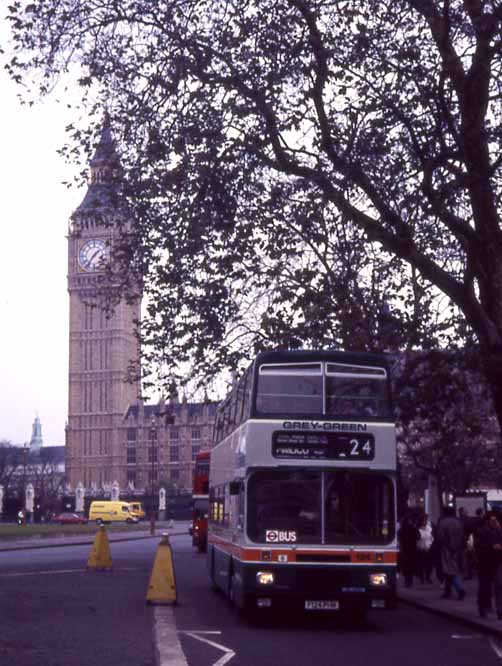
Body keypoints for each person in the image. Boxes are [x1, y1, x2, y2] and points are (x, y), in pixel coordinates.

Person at [435, 505, 466, 600]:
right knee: (450, 570)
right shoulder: (458, 522)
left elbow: (439, 537)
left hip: (446, 549)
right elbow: (462, 535)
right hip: (457, 549)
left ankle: (460, 588)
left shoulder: (442, 523)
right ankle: (447, 591)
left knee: (450, 570)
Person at [474, 512, 499, 617]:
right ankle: (483, 606)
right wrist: (492, 547)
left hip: (494, 561)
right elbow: (479, 546)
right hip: (485, 562)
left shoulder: (496, 530)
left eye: (495, 520)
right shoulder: (482, 531)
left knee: (490, 585)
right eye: (493, 520)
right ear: (488, 521)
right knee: (485, 585)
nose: (495, 522)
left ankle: (486, 605)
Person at [398, 512, 420, 587]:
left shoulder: (402, 529)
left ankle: (407, 581)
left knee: (406, 566)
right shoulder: (413, 528)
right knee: (410, 566)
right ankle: (409, 581)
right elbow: (418, 537)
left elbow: (400, 539)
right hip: (412, 549)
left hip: (405, 549)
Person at [417, 513, 433, 583]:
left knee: (429, 565)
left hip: (428, 548)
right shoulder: (417, 529)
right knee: (421, 565)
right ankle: (421, 578)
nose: (425, 521)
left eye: (426, 520)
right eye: (423, 520)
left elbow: (432, 537)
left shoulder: (429, 528)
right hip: (421, 549)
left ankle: (428, 577)